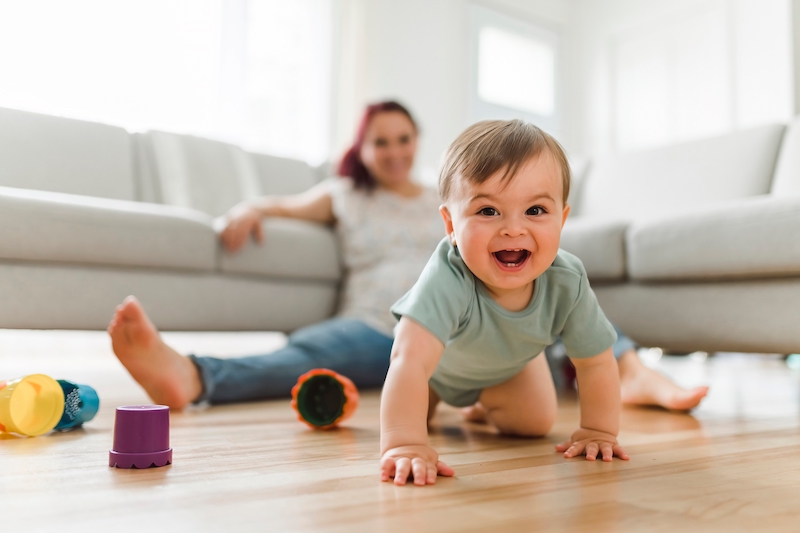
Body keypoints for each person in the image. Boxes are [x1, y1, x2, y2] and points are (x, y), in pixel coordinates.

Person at [108, 102, 707, 414]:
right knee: (312, 354)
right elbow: (286, 205)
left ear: (416, 143)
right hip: (385, 324)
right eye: (380, 141)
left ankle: (630, 372)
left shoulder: (457, 190)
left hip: (493, 316)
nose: (393, 151)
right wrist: (251, 207)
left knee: (559, 290)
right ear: (362, 149)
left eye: (403, 139)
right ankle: (194, 376)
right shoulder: (343, 195)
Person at [380, 119, 629, 486]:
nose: (513, 229)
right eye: (488, 211)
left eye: (535, 211)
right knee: (418, 414)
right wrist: (404, 444)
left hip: (510, 368)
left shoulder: (566, 280)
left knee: (533, 424)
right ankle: (440, 402)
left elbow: (595, 362)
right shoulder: (448, 276)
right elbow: (410, 361)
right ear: (451, 224)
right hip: (436, 369)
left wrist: (598, 430)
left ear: (561, 219)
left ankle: (479, 406)